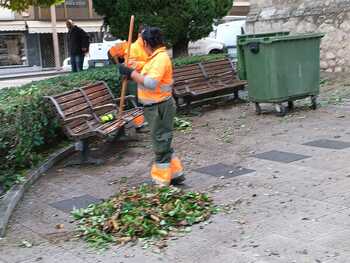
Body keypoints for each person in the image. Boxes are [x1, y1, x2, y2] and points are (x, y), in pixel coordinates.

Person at [119, 27, 185, 186]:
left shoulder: (160, 59)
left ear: (147, 43)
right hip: (156, 106)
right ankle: (176, 174)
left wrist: (131, 73)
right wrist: (131, 72)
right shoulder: (155, 57)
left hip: (159, 107)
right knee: (164, 141)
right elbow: (147, 76)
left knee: (160, 144)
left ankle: (162, 181)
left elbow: (151, 83)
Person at [108, 26, 149, 129]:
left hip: (144, 78)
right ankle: (139, 125)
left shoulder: (147, 47)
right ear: (139, 34)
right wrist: (147, 65)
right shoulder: (133, 48)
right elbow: (129, 65)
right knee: (136, 102)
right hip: (133, 79)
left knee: (144, 101)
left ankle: (145, 122)